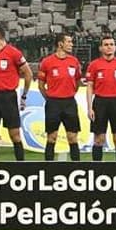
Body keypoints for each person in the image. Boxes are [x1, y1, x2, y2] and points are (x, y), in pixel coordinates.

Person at [0, 25, 32, 162]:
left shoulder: (14, 53)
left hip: (8, 97)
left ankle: (20, 166)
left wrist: (24, 95)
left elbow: (28, 74)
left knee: (14, 134)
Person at [85, 35, 116, 162]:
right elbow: (89, 87)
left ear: (115, 47)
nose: (109, 47)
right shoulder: (94, 65)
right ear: (101, 48)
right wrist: (90, 107)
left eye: (111, 44)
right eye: (106, 45)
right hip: (100, 102)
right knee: (99, 139)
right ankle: (97, 170)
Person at [37, 33, 82, 161]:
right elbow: (41, 85)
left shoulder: (74, 61)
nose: (71, 44)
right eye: (69, 42)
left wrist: (69, 93)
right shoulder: (47, 62)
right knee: (52, 137)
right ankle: (49, 169)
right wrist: (50, 99)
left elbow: (77, 82)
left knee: (73, 137)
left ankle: (77, 170)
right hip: (53, 104)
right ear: (60, 44)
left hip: (69, 103)